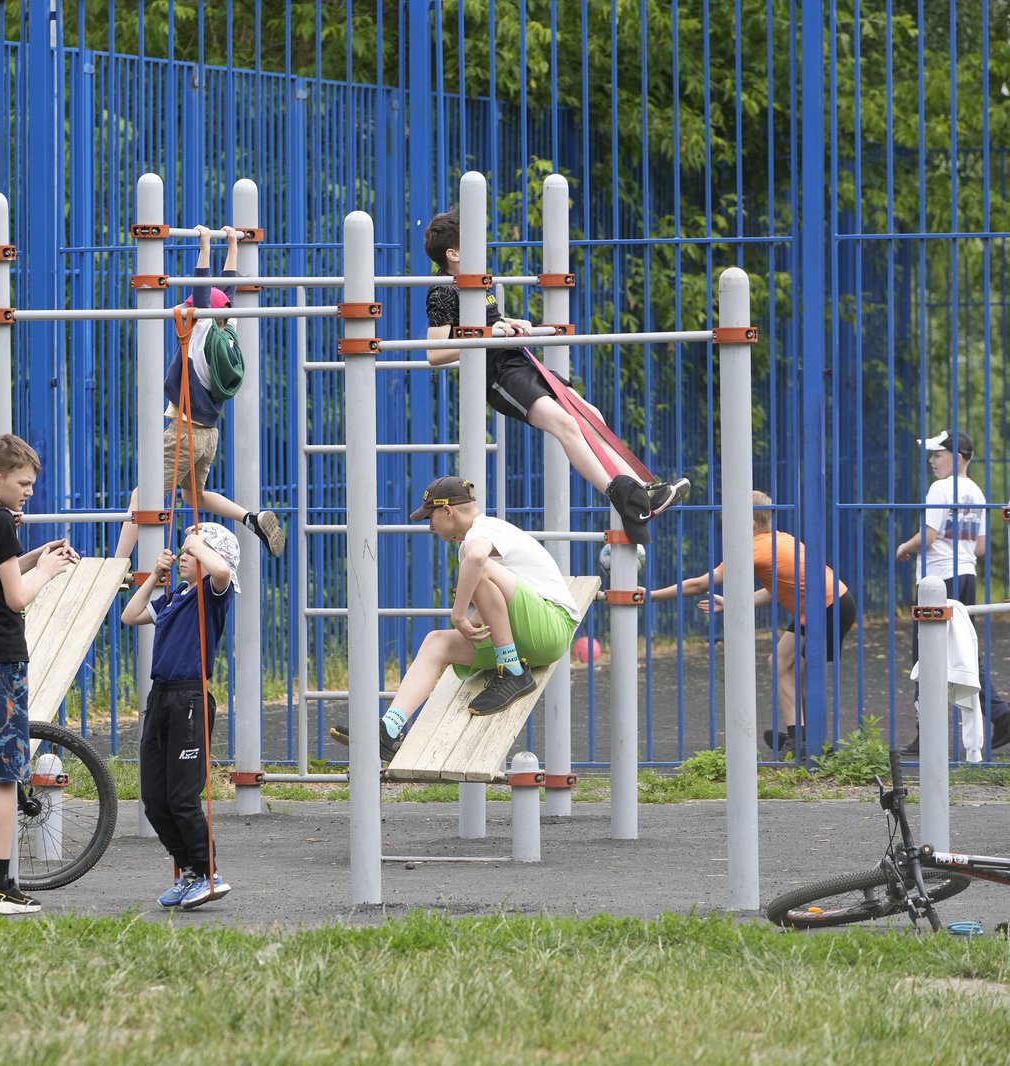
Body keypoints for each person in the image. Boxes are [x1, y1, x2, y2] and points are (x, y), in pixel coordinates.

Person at [421, 210, 688, 543]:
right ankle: (620, 493)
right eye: (474, 240)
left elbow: (492, 323)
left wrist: (514, 324)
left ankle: (644, 491)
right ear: (453, 254)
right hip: (498, 375)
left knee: (590, 415)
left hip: (518, 360)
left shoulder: (478, 280)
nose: (484, 245)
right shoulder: (443, 290)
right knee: (566, 425)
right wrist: (489, 333)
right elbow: (435, 352)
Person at [331, 475, 583, 760]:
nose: (430, 526)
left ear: (447, 511)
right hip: (524, 637)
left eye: (431, 517)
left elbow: (478, 561)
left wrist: (459, 614)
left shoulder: (483, 530)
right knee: (436, 642)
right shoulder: (477, 539)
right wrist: (472, 614)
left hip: (552, 626)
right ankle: (389, 729)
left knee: (477, 568)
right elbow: (497, 603)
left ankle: (512, 671)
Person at [0, 433, 79, 916]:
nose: (29, 492)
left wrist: (34, 557)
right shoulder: (2, 522)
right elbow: (17, 597)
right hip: (1, 659)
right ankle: (2, 885)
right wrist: (47, 572)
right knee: (6, 776)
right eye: (23, 483)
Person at [114, 225, 285, 562]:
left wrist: (205, 244)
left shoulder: (201, 332)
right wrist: (233, 246)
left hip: (184, 433)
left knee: (141, 495)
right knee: (195, 496)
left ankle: (117, 565)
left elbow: (206, 290)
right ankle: (251, 517)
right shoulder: (228, 331)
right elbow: (228, 289)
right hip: (208, 435)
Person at [648, 491, 856, 757]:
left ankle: (800, 741)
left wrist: (652, 596)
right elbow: (777, 589)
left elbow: (699, 584)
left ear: (749, 524)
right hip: (832, 602)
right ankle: (807, 740)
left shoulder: (755, 550)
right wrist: (732, 603)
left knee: (782, 664)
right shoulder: (782, 540)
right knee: (791, 668)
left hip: (826, 608)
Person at [120, 523, 239, 910]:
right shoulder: (173, 598)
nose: (185, 555)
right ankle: (190, 870)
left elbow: (221, 571)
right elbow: (130, 614)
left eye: (193, 552)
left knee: (182, 797)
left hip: (190, 697)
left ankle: (208, 872)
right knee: (154, 800)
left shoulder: (212, 594)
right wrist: (154, 576)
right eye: (186, 550)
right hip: (161, 698)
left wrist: (196, 541)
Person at [895, 430, 1010, 753]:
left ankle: (926, 733)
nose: (932, 461)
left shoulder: (941, 488)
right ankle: (1001, 714)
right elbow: (982, 547)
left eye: (937, 455)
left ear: (957, 457)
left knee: (926, 655)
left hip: (938, 579)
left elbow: (928, 538)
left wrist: (905, 546)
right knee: (962, 649)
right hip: (967, 574)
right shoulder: (976, 491)